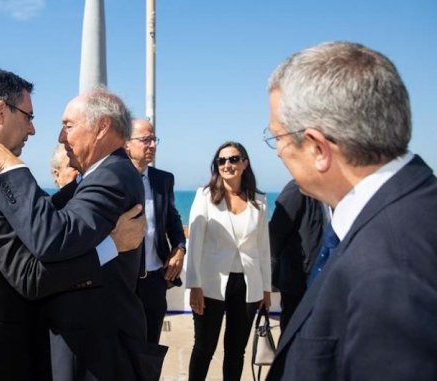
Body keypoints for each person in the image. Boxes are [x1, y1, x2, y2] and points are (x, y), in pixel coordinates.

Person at [0, 69, 145, 381]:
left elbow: (45, 216)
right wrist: (112, 246)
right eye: (28, 116)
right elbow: (31, 276)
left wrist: (12, 168)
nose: (35, 130)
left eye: (67, 125)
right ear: (0, 111)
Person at [0, 89, 168, 381]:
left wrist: (12, 166)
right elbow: (51, 210)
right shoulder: (100, 174)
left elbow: (53, 238)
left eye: (68, 126)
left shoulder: (112, 176)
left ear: (101, 128)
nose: (61, 137)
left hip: (96, 349)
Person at [265, 42, 437, 381]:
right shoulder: (411, 210)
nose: (279, 153)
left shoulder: (390, 271)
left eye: (279, 138)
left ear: (317, 148)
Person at [185, 141, 271, 381]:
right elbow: (195, 244)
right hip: (211, 284)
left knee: (236, 351)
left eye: (233, 159)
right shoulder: (204, 196)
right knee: (204, 348)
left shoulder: (260, 200)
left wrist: (265, 288)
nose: (227, 165)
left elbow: (263, 248)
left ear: (245, 163)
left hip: (248, 285)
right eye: (221, 161)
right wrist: (194, 285)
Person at [125, 118, 186, 344]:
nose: (152, 145)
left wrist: (180, 247)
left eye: (154, 139)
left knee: (150, 350)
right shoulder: (114, 178)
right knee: (123, 350)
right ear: (126, 144)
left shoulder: (163, 180)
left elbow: (173, 218)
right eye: (145, 139)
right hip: (124, 281)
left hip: (154, 281)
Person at [269, 179, 327, 332]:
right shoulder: (297, 189)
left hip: (321, 276)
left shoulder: (329, 190)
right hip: (298, 279)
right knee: (292, 332)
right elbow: (275, 233)